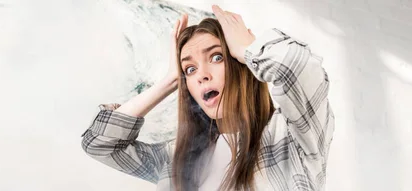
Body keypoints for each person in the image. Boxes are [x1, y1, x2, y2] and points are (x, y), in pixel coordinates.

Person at [81, 5, 334, 191]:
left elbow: (299, 68)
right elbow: (100, 144)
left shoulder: (291, 138)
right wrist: (170, 80)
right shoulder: (178, 156)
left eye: (216, 57)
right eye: (190, 69)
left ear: (239, 63)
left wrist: (248, 48)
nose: (201, 75)